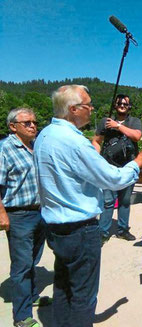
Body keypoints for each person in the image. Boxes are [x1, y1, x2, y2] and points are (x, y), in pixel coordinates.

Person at [33, 85, 142, 327]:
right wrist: (138, 163)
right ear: (74, 109)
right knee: (82, 296)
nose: (92, 110)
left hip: (56, 227)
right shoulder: (74, 142)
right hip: (79, 229)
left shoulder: (44, 135)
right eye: (89, 106)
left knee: (63, 287)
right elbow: (112, 179)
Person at [0, 108, 49, 327]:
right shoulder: (4, 150)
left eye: (34, 122)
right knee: (21, 265)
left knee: (33, 260)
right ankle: (21, 317)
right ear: (13, 126)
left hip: (39, 212)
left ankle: (30, 297)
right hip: (18, 214)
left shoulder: (35, 147)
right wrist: (2, 215)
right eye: (27, 123)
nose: (33, 126)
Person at [92, 94, 142, 243]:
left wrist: (118, 126)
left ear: (129, 106)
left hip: (128, 166)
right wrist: (96, 158)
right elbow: (96, 140)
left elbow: (136, 136)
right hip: (108, 167)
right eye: (119, 103)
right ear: (115, 105)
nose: (122, 105)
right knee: (108, 201)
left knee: (125, 201)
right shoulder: (104, 122)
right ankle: (103, 232)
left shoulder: (134, 121)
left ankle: (122, 229)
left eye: (125, 104)